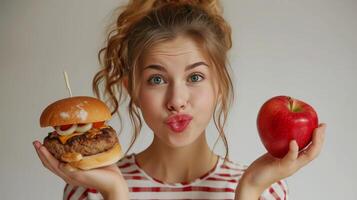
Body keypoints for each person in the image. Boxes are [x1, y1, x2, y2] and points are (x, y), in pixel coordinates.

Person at [33, 0, 326, 199]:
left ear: (220, 85)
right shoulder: (89, 188)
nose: (177, 100)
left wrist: (249, 189)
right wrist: (114, 193)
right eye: (157, 79)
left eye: (195, 77)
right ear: (133, 89)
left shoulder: (265, 189)